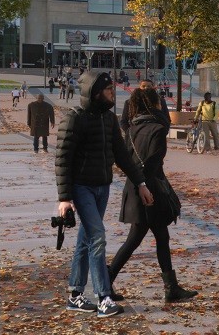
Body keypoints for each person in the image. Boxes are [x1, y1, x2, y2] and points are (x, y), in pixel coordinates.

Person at [54, 71, 153, 318]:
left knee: (86, 240)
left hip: (103, 187)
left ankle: (75, 295)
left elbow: (122, 155)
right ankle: (104, 297)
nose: (113, 93)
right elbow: (63, 160)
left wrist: (140, 182)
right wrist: (64, 198)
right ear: (96, 92)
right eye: (109, 90)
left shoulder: (108, 120)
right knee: (97, 237)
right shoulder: (74, 119)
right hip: (81, 188)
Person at [107, 86, 195, 303]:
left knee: (152, 237)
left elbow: (125, 159)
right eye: (158, 102)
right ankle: (107, 280)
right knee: (140, 238)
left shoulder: (131, 129)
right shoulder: (157, 129)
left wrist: (137, 181)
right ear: (154, 104)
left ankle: (170, 288)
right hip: (150, 189)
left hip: (136, 186)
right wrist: (144, 183)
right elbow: (154, 162)